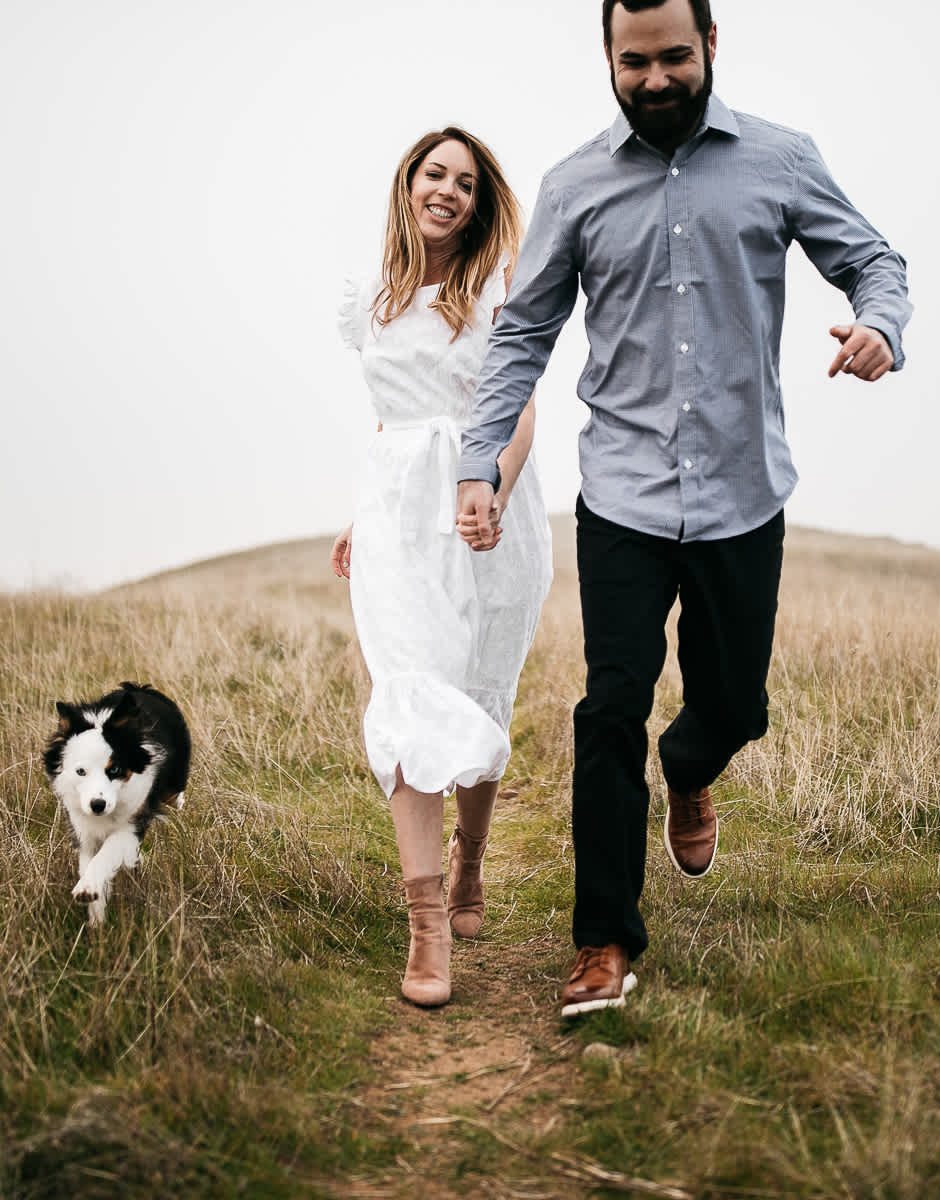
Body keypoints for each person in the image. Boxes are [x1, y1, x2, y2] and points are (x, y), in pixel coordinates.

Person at [455, 0, 912, 1017]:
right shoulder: (575, 184)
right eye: (634, 62)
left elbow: (874, 261)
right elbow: (521, 336)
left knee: (733, 706)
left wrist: (879, 325)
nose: (655, 79)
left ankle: (691, 763)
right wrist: (480, 461)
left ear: (710, 47)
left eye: (673, 57)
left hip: (744, 494)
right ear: (609, 60)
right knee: (609, 707)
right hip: (620, 492)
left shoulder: (781, 161)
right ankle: (603, 944)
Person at [333, 127, 554, 1008]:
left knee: (480, 690)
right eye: (436, 175)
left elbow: (522, 410)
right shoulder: (371, 299)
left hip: (487, 510)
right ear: (409, 184)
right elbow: (389, 426)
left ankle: (472, 863)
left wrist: (489, 487)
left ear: (480, 201)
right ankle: (427, 924)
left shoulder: (499, 287)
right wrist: (359, 517)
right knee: (413, 692)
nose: (449, 192)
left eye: (467, 183)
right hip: (397, 516)